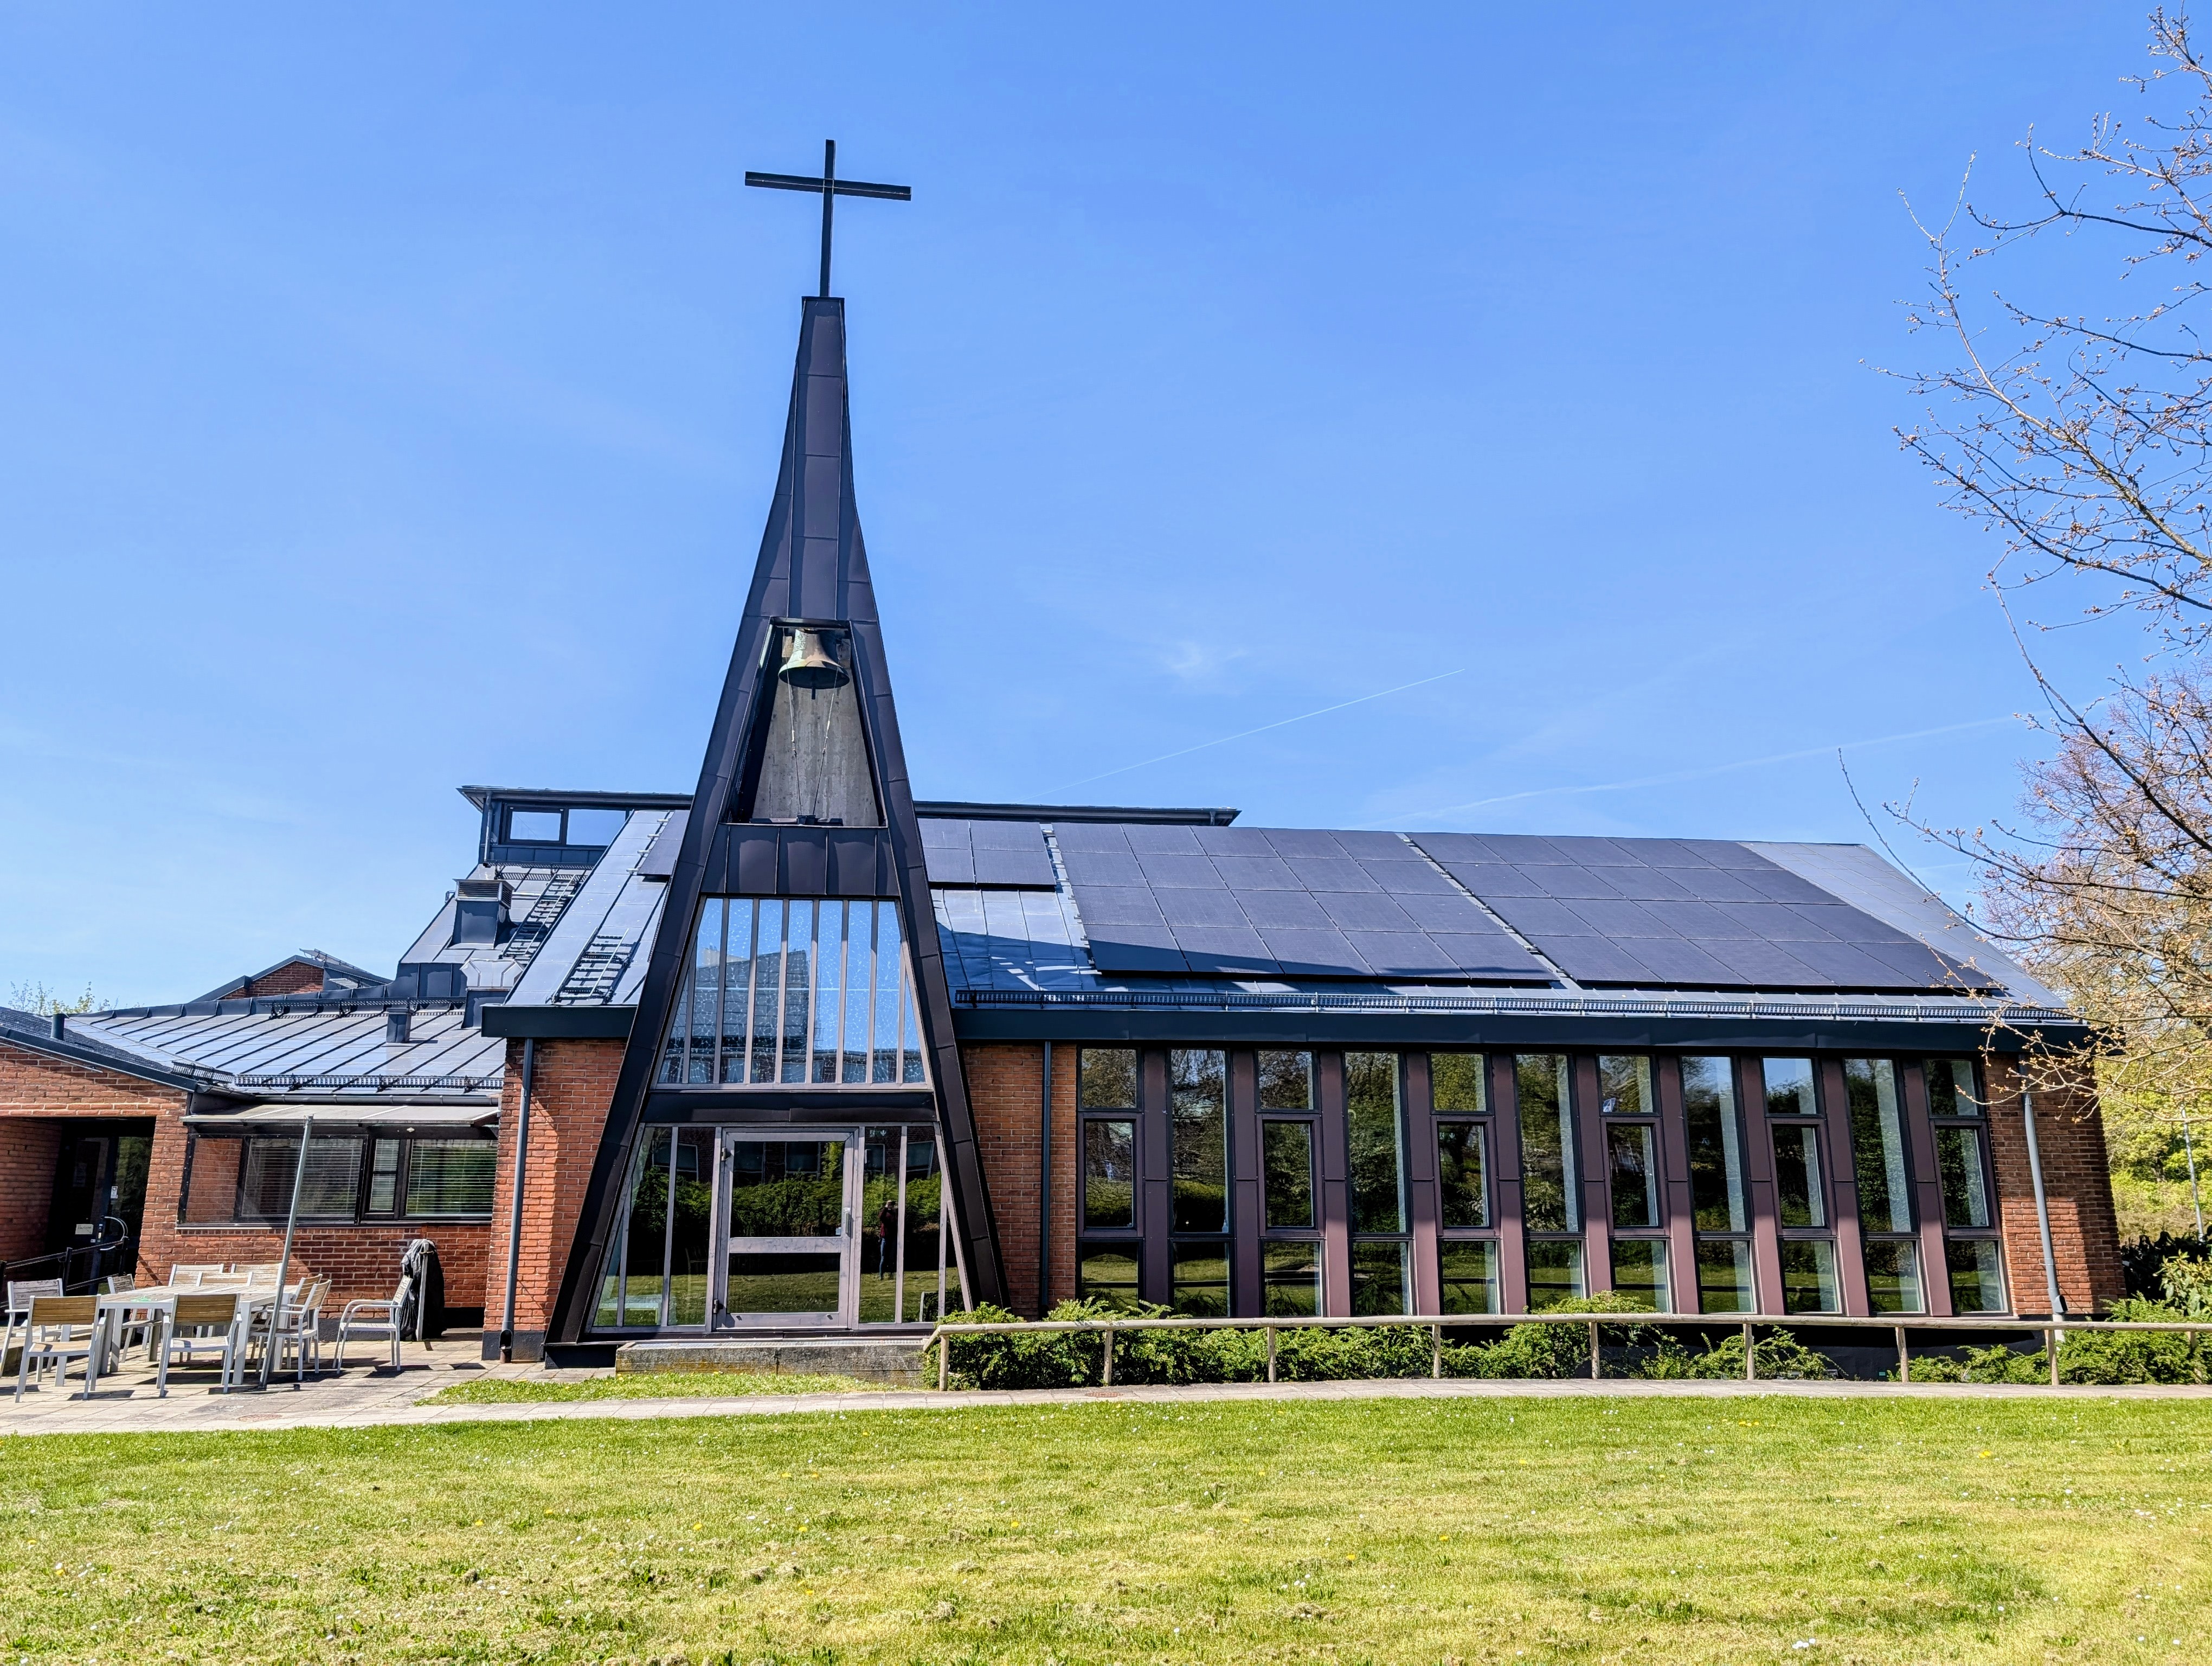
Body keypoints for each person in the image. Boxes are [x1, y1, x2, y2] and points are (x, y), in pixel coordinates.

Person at [875, 1200, 897, 1276]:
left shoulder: (894, 1213)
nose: (891, 1205)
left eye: (892, 1204)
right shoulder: (884, 1213)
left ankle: (891, 1274)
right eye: (890, 1204)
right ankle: (881, 1275)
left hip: (892, 1237)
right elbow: (881, 1217)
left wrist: (895, 1209)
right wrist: (886, 1207)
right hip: (885, 1238)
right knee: (883, 1257)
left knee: (891, 1257)